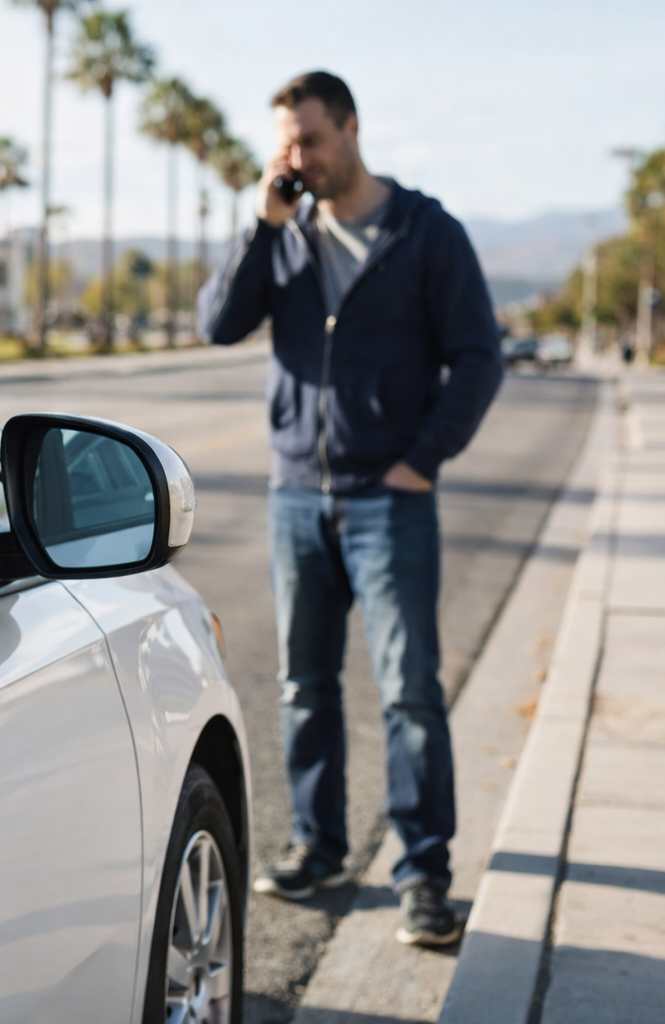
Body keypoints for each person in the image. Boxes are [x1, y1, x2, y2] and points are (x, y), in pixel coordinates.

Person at [196, 71, 502, 947]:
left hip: (388, 502)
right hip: (297, 495)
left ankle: (424, 877)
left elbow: (479, 358)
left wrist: (420, 462)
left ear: (353, 129)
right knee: (304, 685)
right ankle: (320, 847)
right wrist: (260, 224)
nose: (300, 158)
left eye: (312, 140)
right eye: (288, 143)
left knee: (408, 691)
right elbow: (217, 323)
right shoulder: (283, 234)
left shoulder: (425, 232)